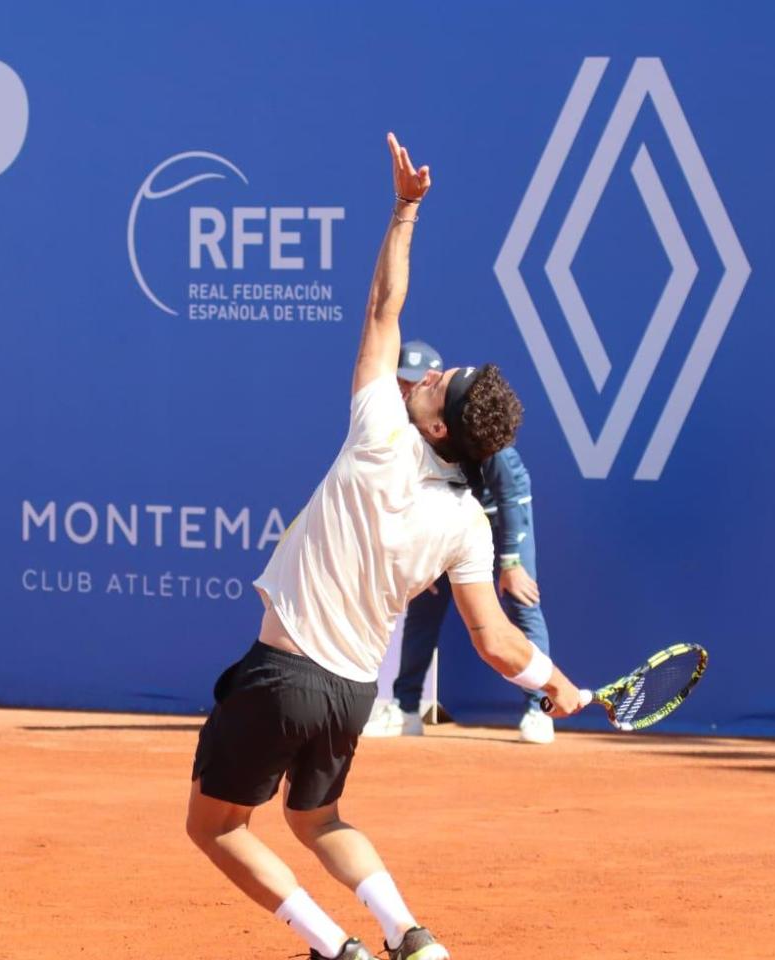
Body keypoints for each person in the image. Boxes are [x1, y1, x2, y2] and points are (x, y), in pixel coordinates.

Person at [184, 133, 586, 960]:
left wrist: (405, 210)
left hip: (282, 674)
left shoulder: (380, 432)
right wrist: (557, 684)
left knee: (216, 827)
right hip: (348, 697)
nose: (424, 375)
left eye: (439, 382)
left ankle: (337, 950)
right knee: (316, 820)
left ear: (437, 425)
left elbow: (381, 309)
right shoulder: (468, 522)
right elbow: (496, 641)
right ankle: (411, 934)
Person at [364, 340, 555, 744]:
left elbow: (510, 496)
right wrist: (420, 555)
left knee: (521, 602)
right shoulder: (399, 427)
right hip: (444, 520)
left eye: (412, 382)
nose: (404, 389)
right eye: (399, 381)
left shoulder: (463, 422)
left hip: (499, 516)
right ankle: (405, 708)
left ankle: (540, 708)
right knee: (422, 609)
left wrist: (510, 561)